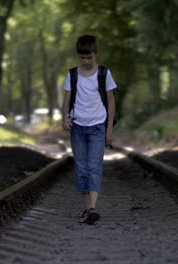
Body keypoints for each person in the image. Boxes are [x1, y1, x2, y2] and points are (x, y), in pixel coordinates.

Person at [62, 35, 117, 225]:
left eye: (89, 58)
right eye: (82, 58)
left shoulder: (104, 74)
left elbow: (110, 101)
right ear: (78, 55)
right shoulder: (72, 75)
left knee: (94, 166)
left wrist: (109, 129)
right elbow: (67, 100)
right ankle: (87, 210)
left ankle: (92, 208)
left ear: (95, 54)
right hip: (77, 127)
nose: (86, 61)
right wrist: (65, 118)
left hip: (97, 126)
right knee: (81, 168)